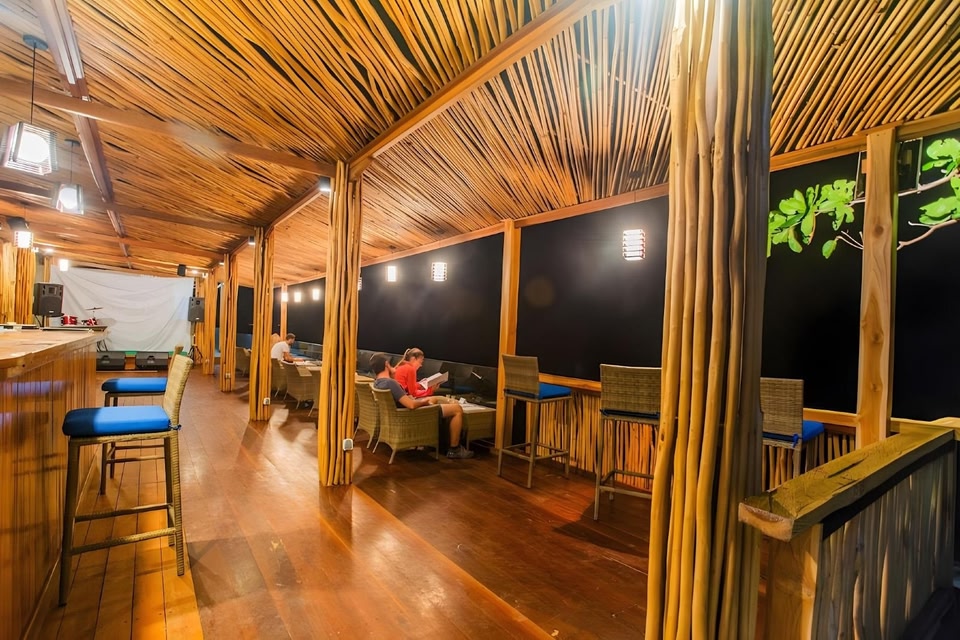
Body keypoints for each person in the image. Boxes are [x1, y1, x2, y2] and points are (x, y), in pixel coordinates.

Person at [370, 352, 474, 459]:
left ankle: (438, 441)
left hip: (400, 415)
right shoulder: (391, 383)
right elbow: (411, 405)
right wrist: (424, 401)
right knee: (457, 409)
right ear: (386, 364)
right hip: (413, 416)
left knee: (434, 400)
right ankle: (454, 449)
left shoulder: (378, 383)